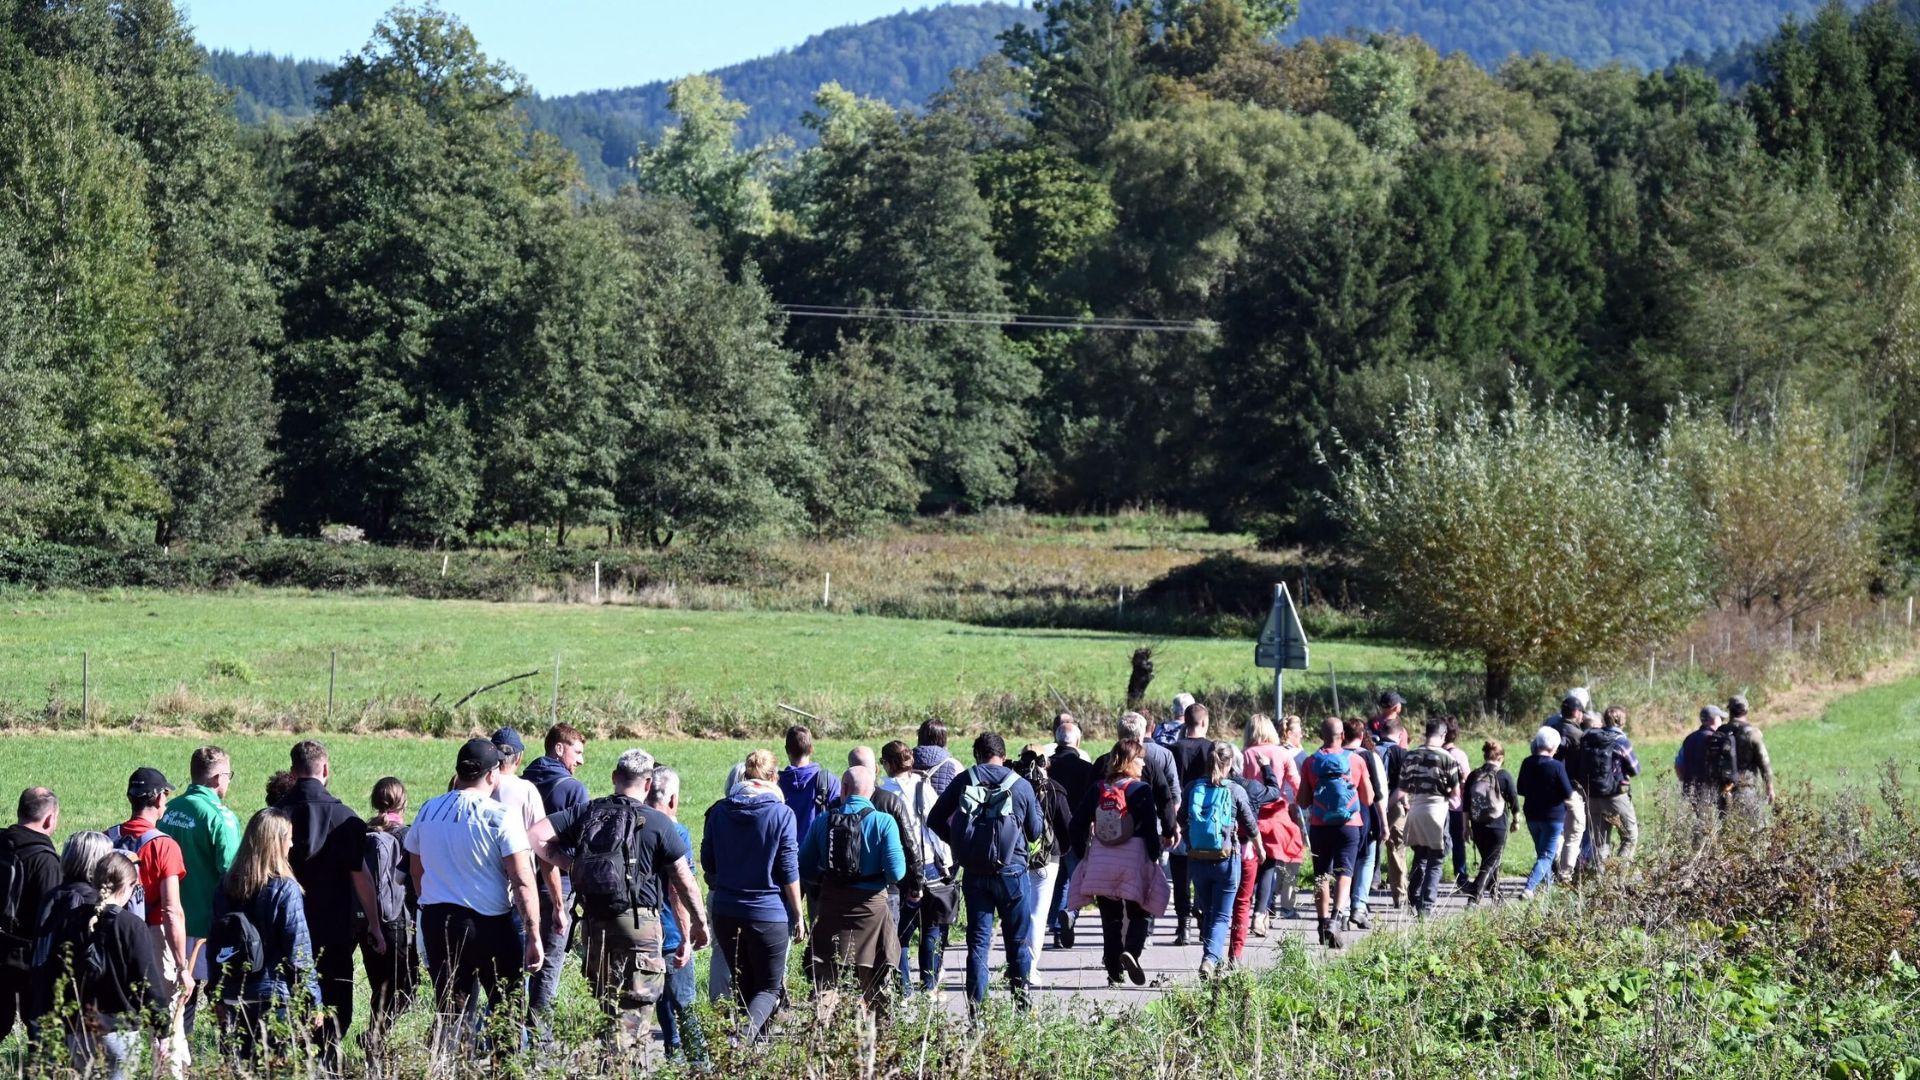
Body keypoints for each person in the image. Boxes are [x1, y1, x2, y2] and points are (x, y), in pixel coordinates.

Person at [526, 748, 703, 1058]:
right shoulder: (658, 823)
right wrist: (699, 924)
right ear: (648, 784)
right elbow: (683, 881)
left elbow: (537, 836)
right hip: (639, 928)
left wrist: (572, 865)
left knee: (609, 1013)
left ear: (614, 778)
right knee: (633, 1025)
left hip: (595, 929)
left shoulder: (589, 811)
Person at [406, 738, 544, 1057]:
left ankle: (450, 1068)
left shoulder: (428, 810)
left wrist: (429, 899)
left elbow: (416, 869)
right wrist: (534, 933)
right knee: (506, 1013)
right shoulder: (500, 816)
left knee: (451, 1015)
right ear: (493, 775)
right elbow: (522, 880)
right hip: (488, 925)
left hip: (439, 923)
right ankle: (504, 1070)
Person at [275, 740, 383, 1069]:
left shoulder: (274, 817)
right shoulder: (346, 819)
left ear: (293, 773)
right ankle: (325, 1063)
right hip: (334, 930)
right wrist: (375, 926)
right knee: (337, 1004)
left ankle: (290, 1062)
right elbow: (361, 877)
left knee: (289, 997)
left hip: (283, 928)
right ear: (325, 769)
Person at [927, 732, 1046, 1010]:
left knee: (978, 943)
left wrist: (959, 844)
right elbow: (1035, 830)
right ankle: (1021, 1003)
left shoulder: (965, 779)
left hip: (975, 873)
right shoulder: (1020, 785)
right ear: (1003, 756)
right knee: (1017, 940)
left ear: (976, 754)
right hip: (1012, 872)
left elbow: (935, 819)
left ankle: (977, 1012)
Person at [700, 750, 802, 1044]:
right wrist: (797, 914)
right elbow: (788, 869)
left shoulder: (719, 811)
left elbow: (709, 863)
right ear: (773, 777)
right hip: (767, 912)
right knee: (769, 989)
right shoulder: (782, 814)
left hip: (726, 910)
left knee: (744, 986)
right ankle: (742, 1040)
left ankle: (752, 1057)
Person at [208, 809, 321, 1064]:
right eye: (289, 837)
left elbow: (214, 944)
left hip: (232, 993)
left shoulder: (225, 886)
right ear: (277, 841)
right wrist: (314, 999)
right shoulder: (285, 888)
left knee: (237, 1069)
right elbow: (298, 951)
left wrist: (215, 993)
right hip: (273, 996)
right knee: (271, 1068)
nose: (292, 844)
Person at [46, 854, 168, 1080]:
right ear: (130, 886)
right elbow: (148, 983)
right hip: (117, 1032)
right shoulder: (132, 926)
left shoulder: (70, 920)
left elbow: (55, 973)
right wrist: (163, 1030)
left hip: (77, 1030)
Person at [799, 766, 905, 1012]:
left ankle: (822, 1034)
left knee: (826, 976)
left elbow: (804, 864)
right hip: (872, 911)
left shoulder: (822, 821)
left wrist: (824, 879)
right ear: (872, 790)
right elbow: (897, 872)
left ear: (844, 789)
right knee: (876, 978)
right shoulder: (883, 822)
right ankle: (877, 1035)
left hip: (832, 907)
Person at [107, 767, 192, 1071]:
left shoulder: (108, 837)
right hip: (154, 936)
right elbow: (172, 910)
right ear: (158, 798)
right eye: (165, 796)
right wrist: (183, 965)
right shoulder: (163, 845)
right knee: (168, 1021)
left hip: (112, 935)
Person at [1065, 739, 1167, 987]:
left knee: (1110, 920)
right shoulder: (1141, 790)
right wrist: (1154, 857)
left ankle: (1114, 973)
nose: (1144, 762)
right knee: (1141, 911)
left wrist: (1083, 854)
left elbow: (1076, 824)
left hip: (1101, 859)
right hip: (1133, 859)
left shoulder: (1098, 789)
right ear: (1130, 762)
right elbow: (1152, 832)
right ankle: (1131, 951)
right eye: (1140, 758)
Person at [156, 746, 240, 1034]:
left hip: (168, 920)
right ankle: (227, 1059)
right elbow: (233, 875)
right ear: (218, 778)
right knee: (222, 994)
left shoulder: (167, 811)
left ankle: (178, 1054)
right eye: (229, 776)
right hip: (208, 925)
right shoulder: (222, 818)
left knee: (180, 997)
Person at [521, 723, 589, 1030]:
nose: (581, 761)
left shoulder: (520, 782)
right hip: (555, 887)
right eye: (578, 751)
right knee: (547, 968)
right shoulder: (573, 789)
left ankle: (509, 1037)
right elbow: (580, 844)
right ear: (558, 748)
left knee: (517, 964)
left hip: (517, 884)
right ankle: (541, 1043)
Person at [643, 767, 705, 1064]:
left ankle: (672, 1056)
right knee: (685, 1004)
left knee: (663, 1001)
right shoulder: (675, 831)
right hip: (670, 931)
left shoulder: (636, 824)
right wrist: (687, 935)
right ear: (672, 799)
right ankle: (699, 1066)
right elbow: (679, 889)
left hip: (642, 933)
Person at [1179, 743, 1255, 977]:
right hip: (1226, 859)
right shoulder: (1234, 789)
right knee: (1222, 915)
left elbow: (1181, 818)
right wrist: (1259, 849)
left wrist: (1190, 841)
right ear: (1230, 763)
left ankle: (1210, 959)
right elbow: (1251, 824)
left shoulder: (1192, 787)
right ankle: (1210, 959)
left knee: (1209, 911)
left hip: (1198, 858)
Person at [882, 741, 952, 994]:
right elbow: (937, 824)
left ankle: (904, 989)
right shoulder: (924, 787)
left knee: (900, 932)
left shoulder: (882, 792)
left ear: (889, 764)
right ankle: (930, 985)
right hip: (930, 863)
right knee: (931, 928)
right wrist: (946, 859)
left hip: (898, 867)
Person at [1300, 718, 1374, 948]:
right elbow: (1368, 798)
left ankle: (1322, 924)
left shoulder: (1311, 762)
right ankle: (1336, 918)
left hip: (1321, 826)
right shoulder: (1356, 760)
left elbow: (1302, 801)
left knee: (1322, 875)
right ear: (1342, 735)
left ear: (1321, 735)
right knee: (1345, 872)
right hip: (1349, 825)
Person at [0, 787, 61, 1044]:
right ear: (49, 819)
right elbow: (52, 919)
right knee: (41, 1032)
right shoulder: (46, 861)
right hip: (29, 959)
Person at [361, 777, 417, 1048]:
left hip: (368, 921)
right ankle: (374, 1038)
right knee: (405, 988)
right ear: (403, 802)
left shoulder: (365, 833)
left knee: (380, 987)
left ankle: (374, 1042)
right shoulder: (406, 835)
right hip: (398, 921)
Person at [1241, 716, 1303, 936]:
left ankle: (1247, 911)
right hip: (1276, 815)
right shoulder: (1283, 754)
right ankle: (1260, 914)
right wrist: (1297, 803)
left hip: (1251, 815)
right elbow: (1297, 785)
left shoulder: (1246, 755)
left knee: (1250, 865)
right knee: (1268, 866)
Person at [1014, 746, 1070, 982]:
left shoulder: (1014, 787)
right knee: (1038, 912)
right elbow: (1067, 824)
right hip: (1048, 858)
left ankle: (1016, 963)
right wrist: (1063, 849)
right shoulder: (1055, 789)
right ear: (1046, 763)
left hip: (1016, 855)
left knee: (1018, 911)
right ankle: (1030, 966)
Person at [1091, 713, 1180, 860]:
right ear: (1140, 737)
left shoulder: (1102, 762)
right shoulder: (1149, 764)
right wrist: (1168, 830)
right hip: (1140, 841)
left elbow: (1089, 799)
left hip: (1106, 837)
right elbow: (1164, 798)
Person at [1400, 719, 1465, 918]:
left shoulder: (1411, 755)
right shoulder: (1447, 758)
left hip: (1416, 810)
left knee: (1419, 857)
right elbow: (1455, 793)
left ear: (1425, 733)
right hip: (1437, 811)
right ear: (1443, 735)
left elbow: (1403, 787)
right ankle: (1426, 907)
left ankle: (1413, 894)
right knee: (1436, 861)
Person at [1165, 703, 1215, 946]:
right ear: (1204, 723)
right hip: (1206, 818)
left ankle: (1182, 925)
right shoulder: (1212, 749)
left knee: (1180, 874)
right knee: (1204, 873)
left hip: (1179, 816)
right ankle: (1203, 919)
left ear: (1185, 723)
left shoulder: (1173, 749)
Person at [1045, 718, 1095, 949]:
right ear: (1077, 741)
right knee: (1076, 880)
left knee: (1057, 881)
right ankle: (1070, 914)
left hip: (1048, 835)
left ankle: (1057, 926)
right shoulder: (1086, 769)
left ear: (1057, 741)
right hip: (1077, 832)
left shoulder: (1046, 768)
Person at [1340, 719, 1388, 930]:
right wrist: (1384, 823)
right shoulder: (1367, 756)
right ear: (1362, 736)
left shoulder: (1332, 755)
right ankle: (1359, 907)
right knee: (1367, 860)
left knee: (1345, 864)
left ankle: (1342, 910)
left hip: (1339, 818)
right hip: (1365, 815)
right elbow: (1377, 793)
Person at [1517, 728, 1575, 901]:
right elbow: (1567, 792)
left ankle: (1548, 891)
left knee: (1542, 853)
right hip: (1553, 817)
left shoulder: (1527, 762)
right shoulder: (1556, 766)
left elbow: (1520, 788)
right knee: (1546, 855)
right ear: (1554, 747)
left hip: (1532, 815)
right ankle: (1529, 888)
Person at [1580, 706, 1641, 867]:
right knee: (1630, 837)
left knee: (1601, 841)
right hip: (1615, 796)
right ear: (1621, 721)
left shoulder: (1591, 738)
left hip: (1592, 795)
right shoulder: (1621, 741)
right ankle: (1619, 877)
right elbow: (1635, 768)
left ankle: (1601, 880)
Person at [1463, 741, 1519, 904]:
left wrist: (1465, 827)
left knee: (1489, 860)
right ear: (1500, 757)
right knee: (1489, 863)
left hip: (1478, 825)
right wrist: (1516, 820)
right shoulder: (1504, 775)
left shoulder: (1474, 776)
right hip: (1498, 826)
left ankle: (1497, 897)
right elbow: (1514, 800)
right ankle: (1474, 898)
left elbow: (1466, 804)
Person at [1548, 696, 1589, 887]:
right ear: (1577, 712)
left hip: (1550, 788)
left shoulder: (1550, 729)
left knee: (1557, 830)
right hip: (1572, 789)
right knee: (1574, 831)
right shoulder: (1577, 735)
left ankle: (1552, 864)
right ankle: (1565, 875)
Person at [1376, 720, 1411, 911]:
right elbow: (1404, 785)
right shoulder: (1402, 753)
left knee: (1369, 852)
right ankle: (1400, 897)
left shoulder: (1371, 751)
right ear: (1399, 735)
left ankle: (1359, 900)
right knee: (1397, 851)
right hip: (1394, 807)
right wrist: (1399, 803)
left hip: (1370, 806)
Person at [1724, 695, 1777, 814]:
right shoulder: (1753, 733)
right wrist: (1769, 787)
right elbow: (1764, 762)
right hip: (1745, 790)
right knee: (1751, 829)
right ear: (1746, 711)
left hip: (1721, 790)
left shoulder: (1721, 731)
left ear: (1730, 710)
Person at [1675, 704, 1729, 809]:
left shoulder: (1689, 739)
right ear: (1714, 719)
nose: (1722, 721)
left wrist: (1686, 781)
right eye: (1720, 718)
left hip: (1692, 791)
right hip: (1713, 791)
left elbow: (1678, 765)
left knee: (1698, 822)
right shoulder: (1716, 739)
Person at [1441, 720, 1474, 890]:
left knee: (1435, 843)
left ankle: (1433, 874)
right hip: (1456, 805)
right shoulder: (1458, 755)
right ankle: (1461, 877)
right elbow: (1468, 781)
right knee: (1458, 842)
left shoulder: (1434, 752)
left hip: (1437, 805)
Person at [911, 720, 965, 794]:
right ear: (944, 739)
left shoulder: (905, 762)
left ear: (920, 737)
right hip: (944, 805)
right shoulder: (954, 764)